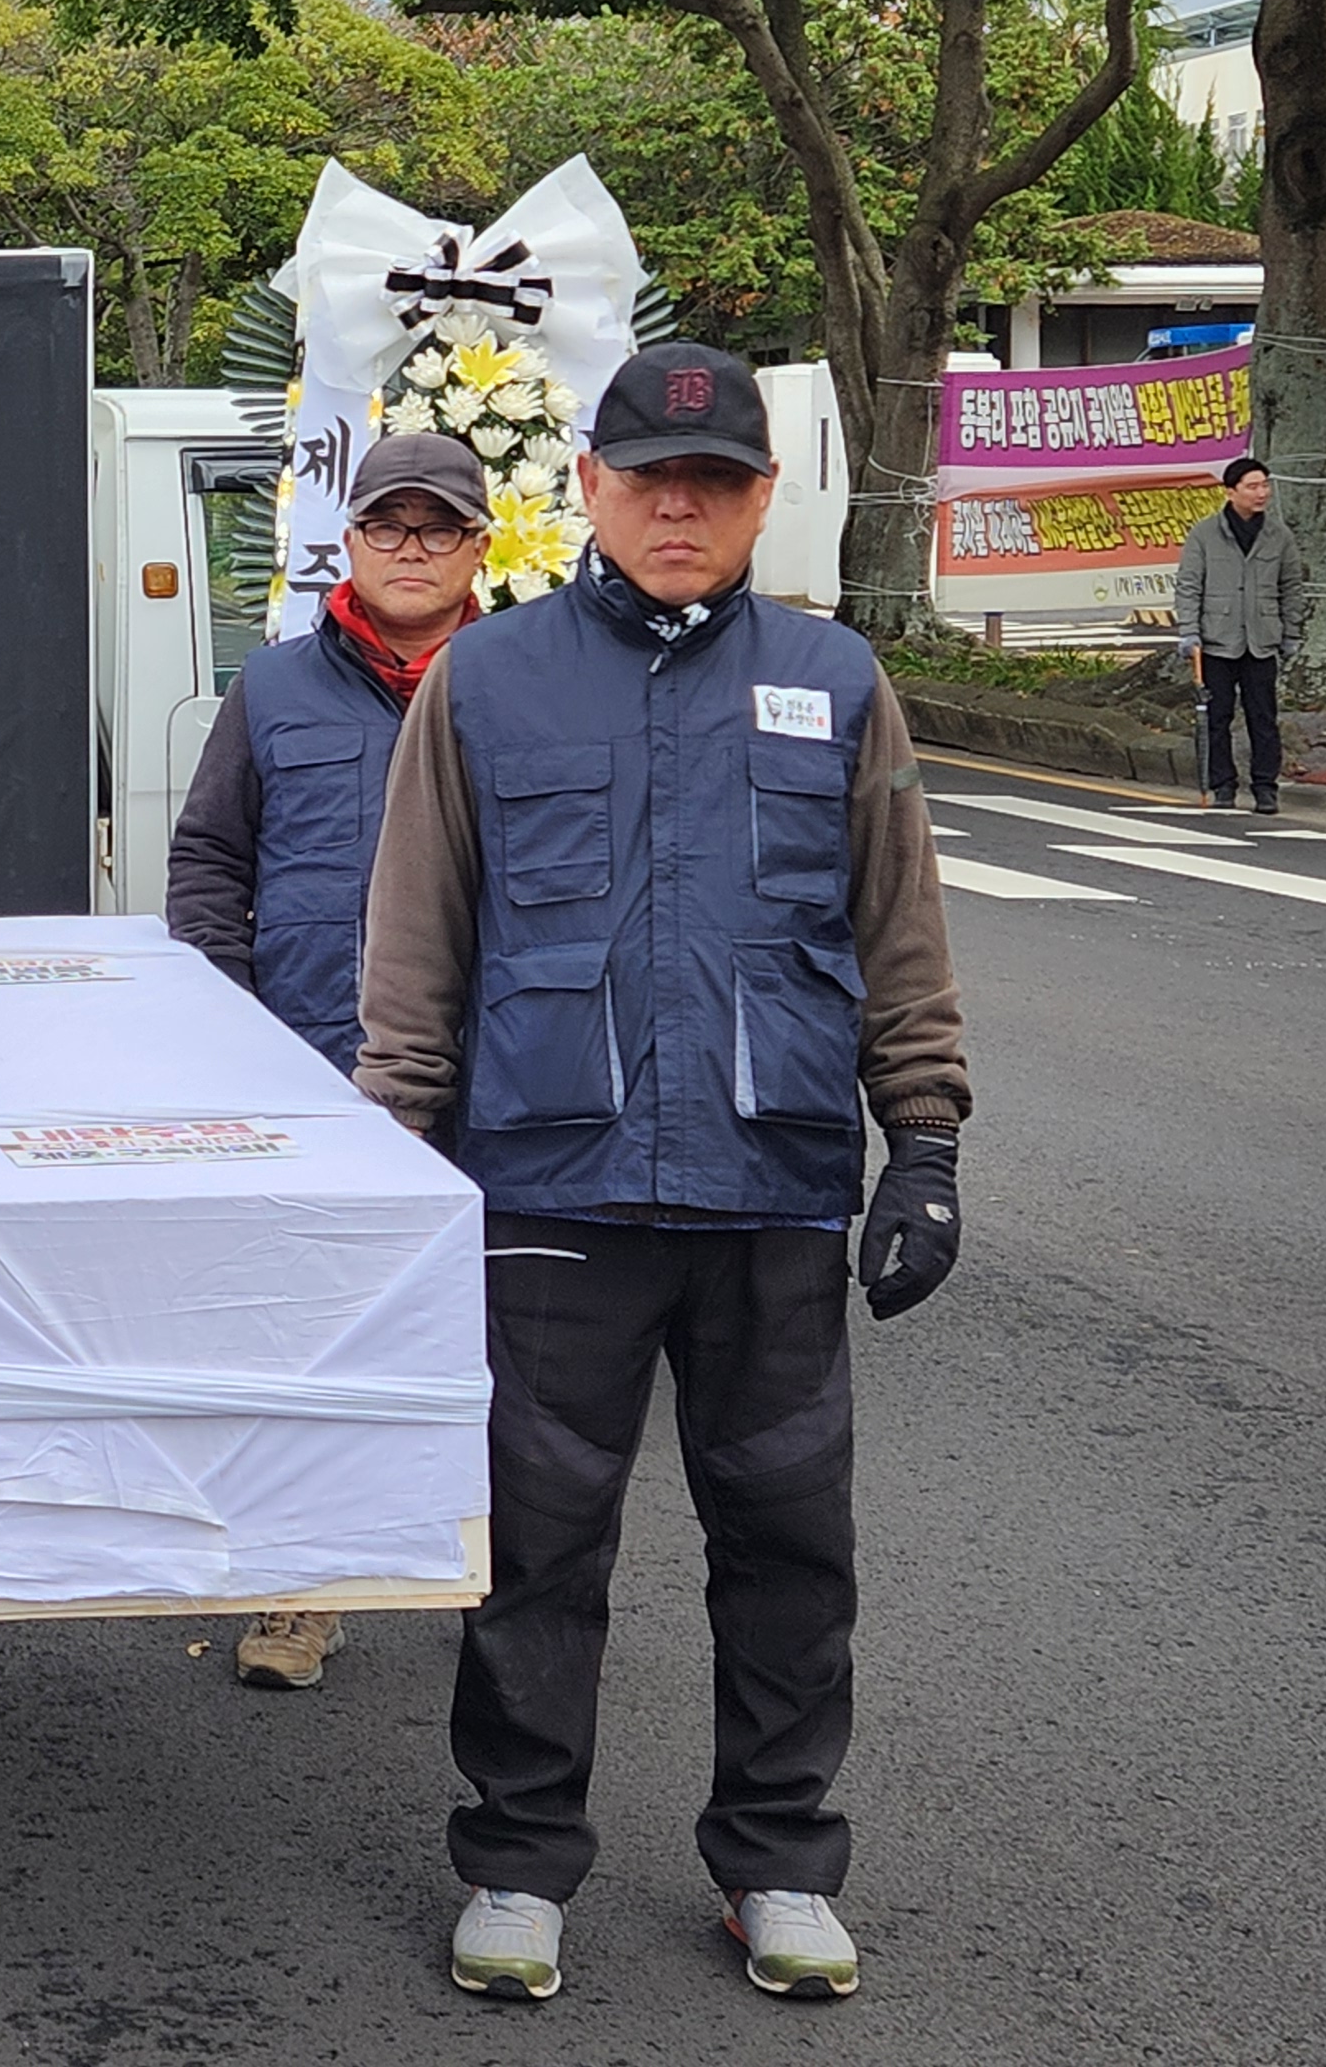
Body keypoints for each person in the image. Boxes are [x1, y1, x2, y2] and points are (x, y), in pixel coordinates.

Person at [354, 344, 970, 2011]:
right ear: (592, 493)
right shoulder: (487, 687)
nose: (679, 507)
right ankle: (517, 1860)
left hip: (768, 1189)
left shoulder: (837, 682)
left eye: (716, 483)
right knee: (540, 1550)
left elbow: (895, 934)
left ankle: (776, 1859)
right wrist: (395, 1159)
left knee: (787, 1546)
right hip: (549, 1189)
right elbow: (418, 953)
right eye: (648, 479)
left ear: (765, 499)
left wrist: (922, 1144)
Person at [165, 427, 490, 1693]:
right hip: (313, 1068)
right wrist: (231, 1016)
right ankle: (300, 1588)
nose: (410, 549)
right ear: (346, 543)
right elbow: (210, 861)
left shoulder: (522, 684)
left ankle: (492, 1576)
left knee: (497, 1338)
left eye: (439, 528)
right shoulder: (277, 689)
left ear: (478, 547)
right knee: (306, 1337)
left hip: (497, 1073)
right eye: (386, 525)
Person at [1172, 455, 1304, 813]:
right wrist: (1189, 631)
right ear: (1231, 492)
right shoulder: (1204, 533)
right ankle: (1223, 785)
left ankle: (1265, 787)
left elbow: (1292, 586)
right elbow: (1188, 585)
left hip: (1261, 641)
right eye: (1252, 486)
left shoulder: (1278, 535)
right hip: (1217, 640)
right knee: (1217, 717)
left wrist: (1291, 632)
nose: (1261, 493)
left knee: (1264, 716)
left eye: (1265, 485)